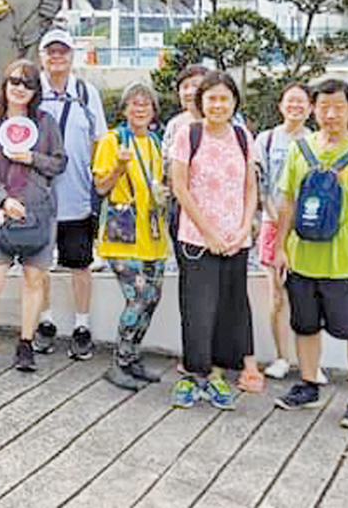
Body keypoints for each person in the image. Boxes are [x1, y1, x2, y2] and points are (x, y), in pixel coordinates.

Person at [273, 78, 348, 431]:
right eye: (324, 107)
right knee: (305, 326)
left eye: (339, 106)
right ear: (313, 109)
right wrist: (279, 247)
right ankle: (308, 384)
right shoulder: (299, 150)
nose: (331, 114)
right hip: (303, 258)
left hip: (346, 264)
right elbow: (287, 203)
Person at [0, 59, 66, 371]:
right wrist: (3, 200)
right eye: (14, 81)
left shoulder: (46, 123)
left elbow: (59, 162)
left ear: (36, 90)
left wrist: (32, 158)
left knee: (34, 280)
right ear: (5, 85)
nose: (20, 88)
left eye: (28, 83)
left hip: (39, 213)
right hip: (1, 214)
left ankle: (26, 342)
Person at [167, 71, 258, 412]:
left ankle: (218, 375)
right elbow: (180, 187)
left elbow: (251, 187)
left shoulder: (243, 136)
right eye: (212, 98)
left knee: (229, 309)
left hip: (235, 240)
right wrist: (208, 232)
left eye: (225, 98)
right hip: (197, 239)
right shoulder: (187, 135)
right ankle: (193, 375)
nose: (218, 105)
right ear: (200, 102)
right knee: (198, 309)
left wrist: (244, 226)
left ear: (235, 102)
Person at [33, 29, 107, 361]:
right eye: (51, 51)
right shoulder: (31, 91)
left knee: (81, 264)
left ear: (72, 55)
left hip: (77, 194)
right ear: (41, 56)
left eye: (63, 51)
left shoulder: (86, 92)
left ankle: (82, 325)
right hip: (40, 196)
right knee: (40, 263)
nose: (57, 57)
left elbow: (99, 140)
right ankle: (45, 321)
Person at [92, 82, 170, 391]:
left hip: (152, 233)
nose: (140, 109)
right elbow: (101, 187)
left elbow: (160, 182)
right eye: (134, 104)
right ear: (125, 110)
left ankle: (133, 356)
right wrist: (120, 168)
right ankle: (119, 362)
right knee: (139, 296)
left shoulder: (155, 142)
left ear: (153, 110)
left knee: (153, 299)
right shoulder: (113, 140)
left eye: (146, 104)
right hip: (121, 233)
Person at [253, 82, 312, 380]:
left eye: (302, 102)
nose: (296, 106)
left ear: (310, 108)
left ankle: (310, 364)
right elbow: (260, 185)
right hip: (272, 225)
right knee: (277, 296)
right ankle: (281, 358)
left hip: (308, 231)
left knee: (309, 297)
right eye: (290, 101)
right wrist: (275, 218)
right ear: (281, 105)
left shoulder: (316, 141)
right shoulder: (266, 139)